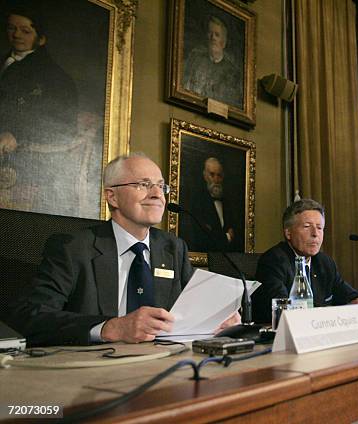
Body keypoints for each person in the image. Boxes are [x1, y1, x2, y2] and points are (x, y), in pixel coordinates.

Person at [8, 153, 239, 346]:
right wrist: (110, 327)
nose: (158, 194)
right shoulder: (72, 248)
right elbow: (31, 314)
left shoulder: (173, 248)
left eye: (160, 186)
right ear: (112, 196)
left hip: (163, 365)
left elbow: (191, 313)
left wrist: (216, 320)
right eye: (143, 184)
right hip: (93, 371)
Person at [0, 4, 79, 215]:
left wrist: (16, 135)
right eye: (11, 28)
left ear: (41, 39)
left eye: (25, 31)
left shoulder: (57, 80)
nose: (16, 35)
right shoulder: (4, 62)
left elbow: (61, 127)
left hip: (21, 166)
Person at [251, 199, 358, 323]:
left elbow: (351, 298)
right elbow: (283, 310)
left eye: (319, 228)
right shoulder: (273, 261)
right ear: (288, 233)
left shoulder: (324, 262)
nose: (315, 234)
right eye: (307, 227)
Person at [180, 157, 241, 252]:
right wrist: (227, 236)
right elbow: (203, 236)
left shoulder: (228, 203)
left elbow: (236, 234)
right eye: (212, 175)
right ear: (205, 175)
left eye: (219, 175)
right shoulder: (198, 201)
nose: (216, 179)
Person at [183, 16, 242, 108]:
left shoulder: (232, 72)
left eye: (217, 35)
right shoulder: (195, 60)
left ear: (223, 42)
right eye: (210, 33)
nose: (213, 38)